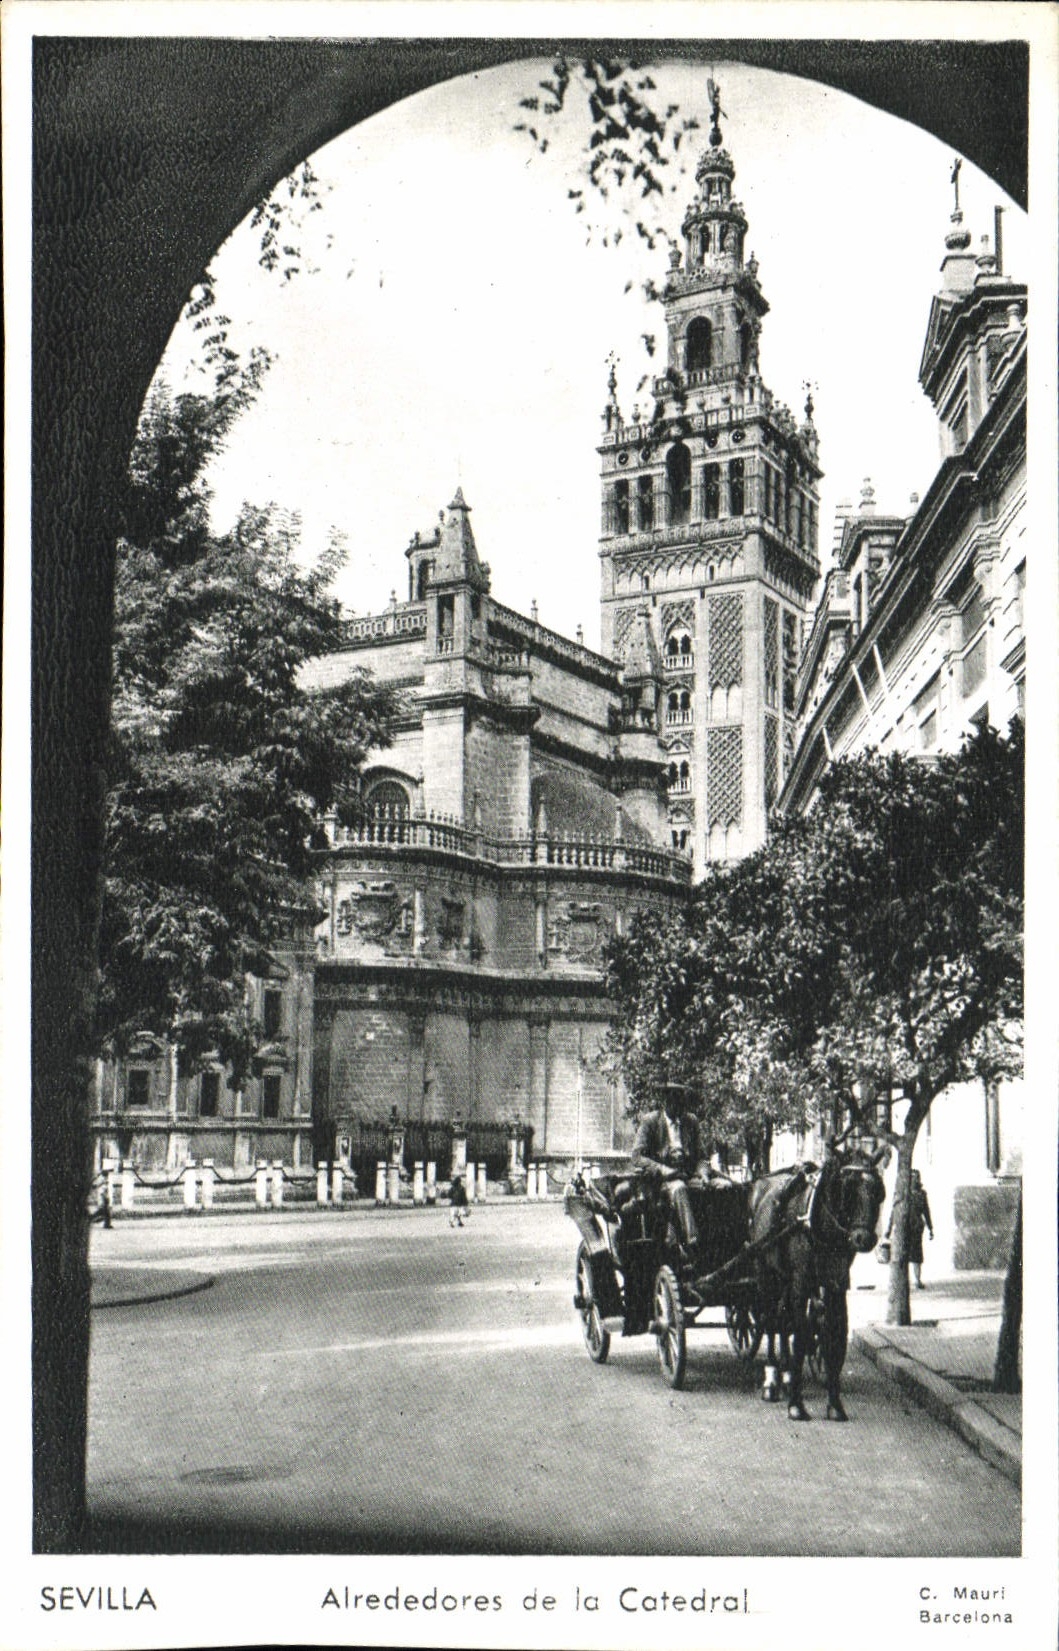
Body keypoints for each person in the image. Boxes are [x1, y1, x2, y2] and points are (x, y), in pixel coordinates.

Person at [631, 1084, 709, 1262]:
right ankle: (693, 1243)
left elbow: (702, 1157)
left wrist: (703, 1174)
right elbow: (637, 1157)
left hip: (688, 1176)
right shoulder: (650, 1121)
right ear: (665, 1102)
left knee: (723, 1187)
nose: (678, 1105)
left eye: (681, 1100)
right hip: (661, 1182)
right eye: (673, 1100)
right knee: (679, 1188)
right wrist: (664, 1170)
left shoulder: (691, 1121)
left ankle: (724, 1241)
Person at [885, 1168, 934, 1287]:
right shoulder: (901, 1193)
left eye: (916, 1178)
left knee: (916, 1256)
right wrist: (888, 1229)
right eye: (912, 1178)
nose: (914, 1180)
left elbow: (926, 1212)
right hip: (903, 1227)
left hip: (916, 1228)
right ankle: (903, 1281)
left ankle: (917, 1280)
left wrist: (930, 1228)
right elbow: (894, 1212)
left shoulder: (921, 1194)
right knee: (903, 1254)